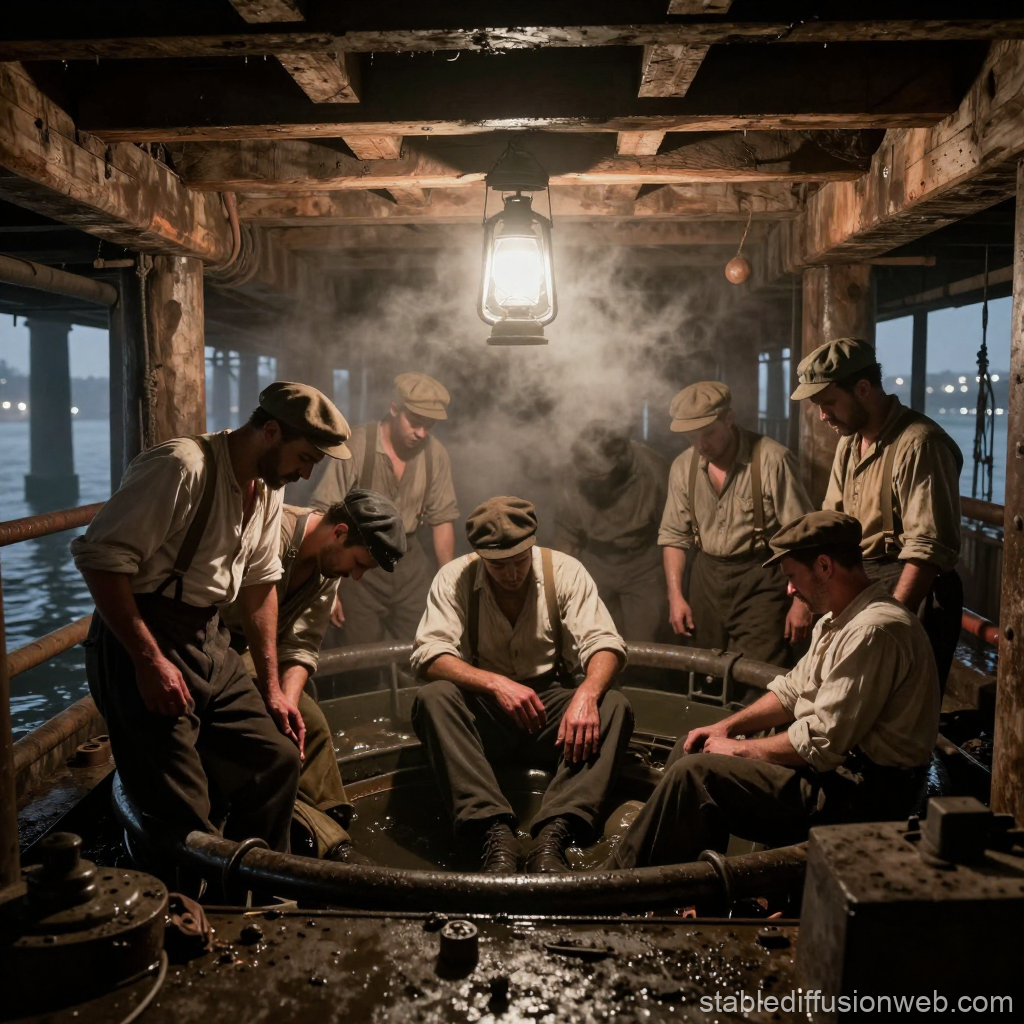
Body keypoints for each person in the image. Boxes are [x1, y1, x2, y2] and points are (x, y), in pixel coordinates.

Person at [71, 383, 351, 855]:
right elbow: (101, 561)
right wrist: (149, 661)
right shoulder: (182, 466)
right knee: (182, 809)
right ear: (269, 431)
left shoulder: (267, 489)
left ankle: (254, 899)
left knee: (277, 760)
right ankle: (187, 911)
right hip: (143, 635)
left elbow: (261, 587)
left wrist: (272, 690)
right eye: (304, 457)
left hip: (208, 639)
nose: (306, 473)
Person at [606, 511, 940, 869]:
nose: (790, 590)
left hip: (865, 797)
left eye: (793, 577)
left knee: (696, 775)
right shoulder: (838, 619)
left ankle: (614, 883)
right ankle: (688, 885)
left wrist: (739, 751)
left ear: (825, 566)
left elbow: (821, 743)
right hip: (838, 773)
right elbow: (791, 691)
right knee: (692, 744)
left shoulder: (873, 631)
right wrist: (726, 729)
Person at [410, 496, 632, 874]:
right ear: (480, 557)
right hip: (486, 710)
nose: (512, 574)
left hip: (549, 708)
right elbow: (428, 654)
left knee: (614, 706)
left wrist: (587, 695)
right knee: (433, 697)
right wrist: (495, 683)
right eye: (499, 566)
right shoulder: (454, 577)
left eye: (519, 561)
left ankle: (555, 833)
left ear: (532, 545)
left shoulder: (565, 571)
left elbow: (604, 643)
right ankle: (491, 833)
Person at [219, 489, 406, 862]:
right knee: (276, 746)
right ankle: (328, 844)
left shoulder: (326, 569)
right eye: (358, 563)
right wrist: (272, 700)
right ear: (339, 532)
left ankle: (333, 821)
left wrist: (288, 703)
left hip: (257, 656)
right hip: (215, 648)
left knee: (311, 723)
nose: (355, 577)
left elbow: (302, 645)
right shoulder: (274, 530)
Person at [792, 337, 963, 687]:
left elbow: (926, 551)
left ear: (864, 388)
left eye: (829, 403)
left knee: (901, 704)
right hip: (865, 581)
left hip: (912, 586)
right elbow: (833, 523)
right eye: (818, 406)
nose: (823, 416)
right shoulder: (849, 443)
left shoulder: (920, 444)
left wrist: (890, 622)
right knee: (854, 699)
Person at [659, 381, 814, 667]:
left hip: (760, 577)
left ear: (728, 419)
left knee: (758, 671)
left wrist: (802, 601)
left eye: (709, 434)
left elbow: (803, 538)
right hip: (705, 579)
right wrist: (676, 596)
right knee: (704, 670)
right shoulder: (683, 466)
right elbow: (673, 536)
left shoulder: (773, 460)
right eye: (692, 438)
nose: (701, 445)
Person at [311, 371, 459, 649]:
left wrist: (448, 586)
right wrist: (326, 589)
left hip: (410, 563)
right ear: (394, 409)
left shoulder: (434, 453)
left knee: (422, 648)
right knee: (359, 652)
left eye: (430, 426)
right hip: (359, 563)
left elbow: (442, 520)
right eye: (415, 422)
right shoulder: (357, 445)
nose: (422, 433)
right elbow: (322, 516)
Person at [553, 420, 669, 643]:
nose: (594, 480)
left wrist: (675, 589)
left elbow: (674, 533)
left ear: (620, 460)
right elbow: (566, 534)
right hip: (595, 562)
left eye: (600, 475)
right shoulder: (570, 473)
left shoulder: (653, 469)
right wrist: (562, 586)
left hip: (643, 565)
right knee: (598, 637)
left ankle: (642, 678)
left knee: (645, 638)